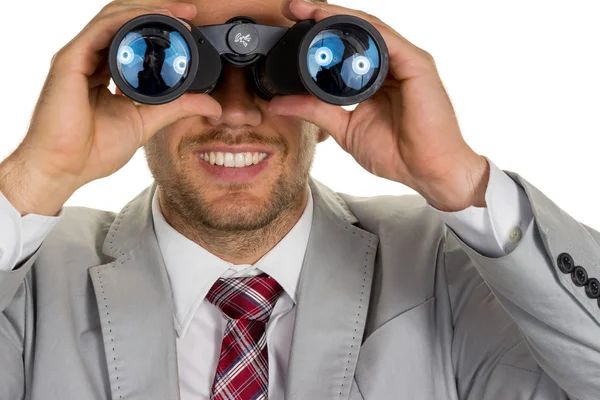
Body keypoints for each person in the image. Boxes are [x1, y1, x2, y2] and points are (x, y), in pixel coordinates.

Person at [0, 0, 598, 399]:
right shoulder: (29, 278)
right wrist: (34, 178)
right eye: (182, 69)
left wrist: (459, 180)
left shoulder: (451, 267)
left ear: (333, 86)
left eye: (275, 68)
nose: (234, 112)